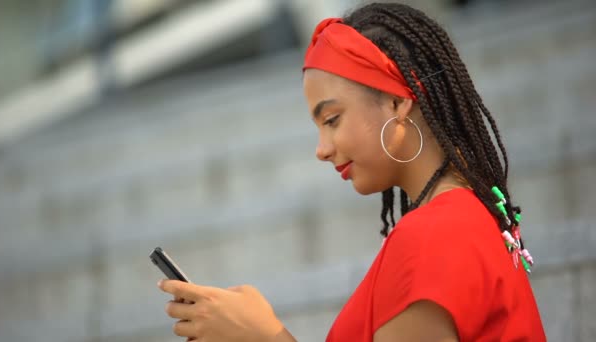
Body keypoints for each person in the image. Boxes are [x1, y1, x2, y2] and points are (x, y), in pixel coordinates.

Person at [157, 2, 546, 341]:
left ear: (397, 102)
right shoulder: (465, 216)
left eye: (332, 119)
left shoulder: (430, 236)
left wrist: (263, 336)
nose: (322, 150)